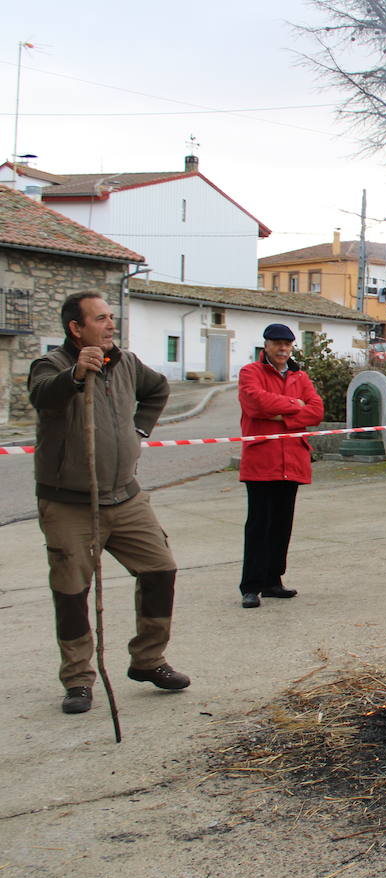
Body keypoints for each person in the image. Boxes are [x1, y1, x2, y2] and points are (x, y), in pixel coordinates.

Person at [28, 291, 190, 714]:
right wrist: (75, 376)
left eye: (111, 317)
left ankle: (148, 660)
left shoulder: (126, 362)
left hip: (125, 495)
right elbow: (42, 395)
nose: (111, 325)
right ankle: (79, 680)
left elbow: (157, 390)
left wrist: (140, 430)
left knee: (160, 569)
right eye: (101, 319)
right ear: (76, 329)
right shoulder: (52, 365)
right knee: (71, 590)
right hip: (69, 504)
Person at [237, 323, 324, 609]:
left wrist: (281, 416)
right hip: (263, 460)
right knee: (258, 525)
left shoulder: (301, 376)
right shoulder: (250, 372)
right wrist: (293, 405)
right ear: (266, 346)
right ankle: (251, 586)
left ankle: (273, 581)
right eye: (277, 344)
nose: (283, 349)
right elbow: (254, 403)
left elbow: (316, 410)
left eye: (287, 345)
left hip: (292, 461)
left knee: (282, 524)